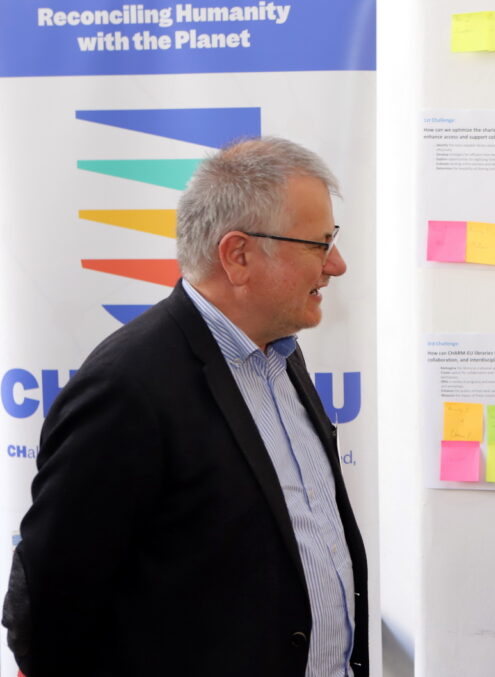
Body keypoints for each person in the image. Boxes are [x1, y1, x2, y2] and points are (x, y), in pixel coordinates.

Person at [2, 137, 368, 677]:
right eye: (317, 244)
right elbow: (47, 610)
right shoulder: (128, 387)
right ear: (238, 255)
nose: (336, 264)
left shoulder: (281, 353)